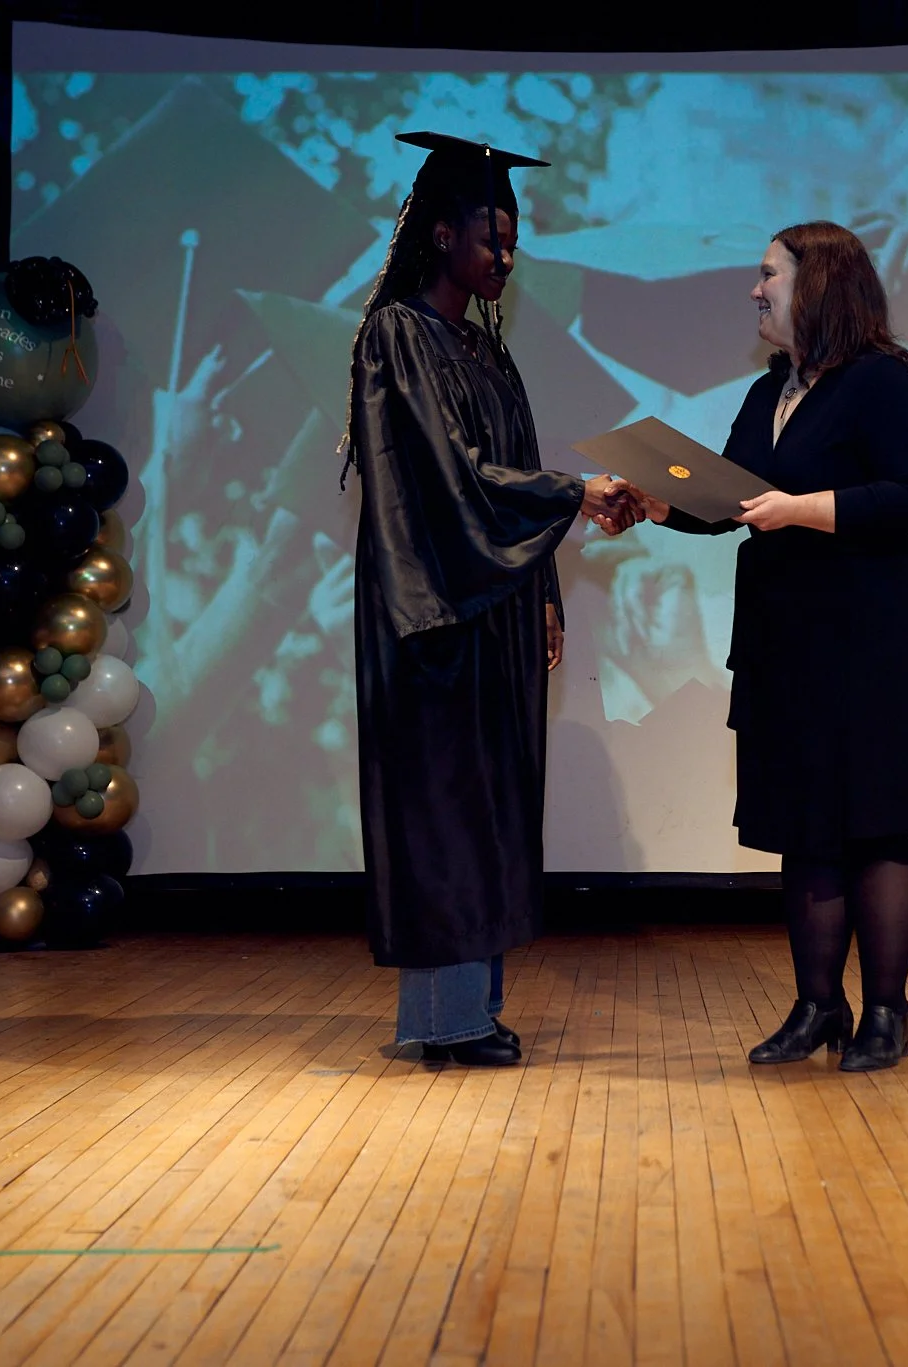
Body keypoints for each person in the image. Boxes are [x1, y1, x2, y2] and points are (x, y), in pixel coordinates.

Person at [635, 221, 908, 1072]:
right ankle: (818, 1005)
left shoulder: (878, 383)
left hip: (875, 638)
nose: (755, 290)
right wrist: (653, 502)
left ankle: (887, 1014)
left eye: (768, 275)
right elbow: (731, 502)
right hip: (788, 641)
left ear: (819, 284)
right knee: (806, 829)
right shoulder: (766, 394)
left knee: (879, 824)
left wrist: (801, 506)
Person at [343, 132, 637, 1067]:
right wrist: (574, 493)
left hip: (494, 607)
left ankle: (462, 1011)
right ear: (439, 234)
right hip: (431, 611)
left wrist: (544, 590)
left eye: (513, 243)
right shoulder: (397, 336)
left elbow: (502, 469)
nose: (505, 257)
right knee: (445, 811)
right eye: (490, 238)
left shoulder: (486, 349)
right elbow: (450, 477)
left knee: (494, 807)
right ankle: (448, 1018)